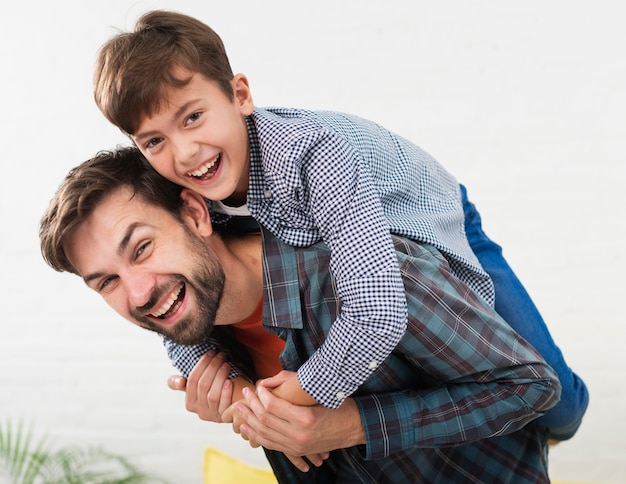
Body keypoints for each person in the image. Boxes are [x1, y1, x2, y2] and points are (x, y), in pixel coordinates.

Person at [92, 9, 587, 436]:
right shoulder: (184, 193)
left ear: (240, 95)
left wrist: (311, 386)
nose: (184, 153)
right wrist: (226, 384)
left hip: (426, 214)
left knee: (557, 403)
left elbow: (379, 310)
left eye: (193, 117)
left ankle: (556, 425)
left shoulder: (315, 155)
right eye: (153, 141)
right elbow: (164, 289)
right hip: (332, 235)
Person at [40, 146, 561, 483]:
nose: (138, 292)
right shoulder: (199, 333)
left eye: (142, 248)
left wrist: (353, 425)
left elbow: (531, 386)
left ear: (196, 214)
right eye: (106, 281)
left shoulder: (366, 277)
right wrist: (255, 414)